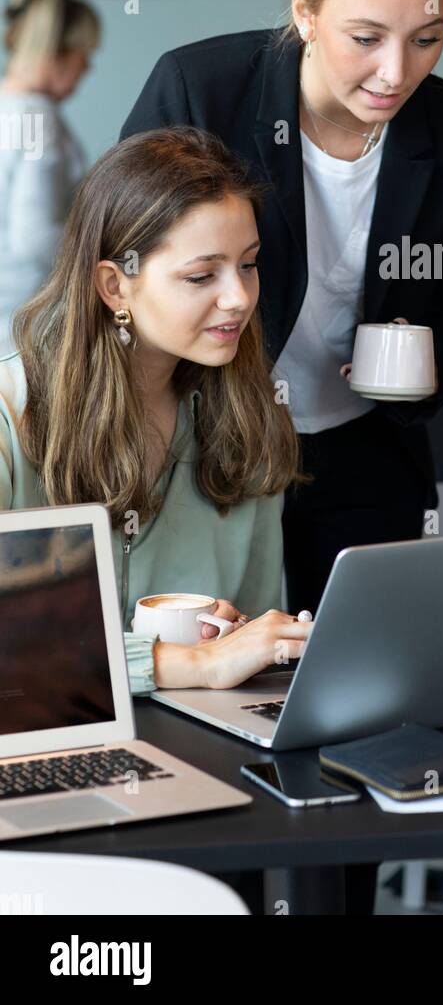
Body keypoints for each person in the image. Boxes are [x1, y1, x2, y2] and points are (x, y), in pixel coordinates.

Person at [119, 0, 443, 615]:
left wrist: (419, 372)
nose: (396, 73)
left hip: (365, 451)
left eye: (427, 38)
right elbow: (127, 275)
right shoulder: (201, 90)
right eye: (365, 38)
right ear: (304, 12)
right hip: (205, 440)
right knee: (207, 674)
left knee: (361, 679)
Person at [0, 126, 312, 698]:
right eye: (201, 275)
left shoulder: (250, 418)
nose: (239, 297)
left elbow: (255, 639)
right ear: (115, 287)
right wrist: (192, 663)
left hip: (203, 743)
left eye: (248, 264)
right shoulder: (8, 415)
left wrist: (242, 638)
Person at [0, 0, 99, 354]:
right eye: (83, 54)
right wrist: (98, 265)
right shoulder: (37, 119)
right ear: (56, 53)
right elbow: (33, 232)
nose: (87, 67)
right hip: (19, 325)